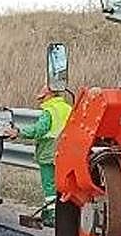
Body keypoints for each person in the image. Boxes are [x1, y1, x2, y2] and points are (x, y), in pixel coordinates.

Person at [6, 87, 72, 228]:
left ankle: (53, 216)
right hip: (66, 153)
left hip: (49, 152)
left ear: (49, 95)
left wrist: (18, 132)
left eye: (42, 98)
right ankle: (52, 214)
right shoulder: (68, 108)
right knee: (62, 185)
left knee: (49, 186)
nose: (40, 101)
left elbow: (39, 130)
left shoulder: (50, 111)